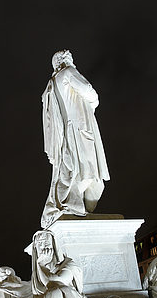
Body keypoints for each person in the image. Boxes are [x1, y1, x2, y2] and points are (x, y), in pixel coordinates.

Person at [41, 50, 110, 228]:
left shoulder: (51, 85)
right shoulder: (68, 73)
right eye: (69, 58)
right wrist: (91, 104)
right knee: (88, 170)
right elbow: (90, 93)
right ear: (64, 60)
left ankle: (71, 202)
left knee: (74, 170)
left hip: (65, 133)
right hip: (80, 128)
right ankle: (72, 203)